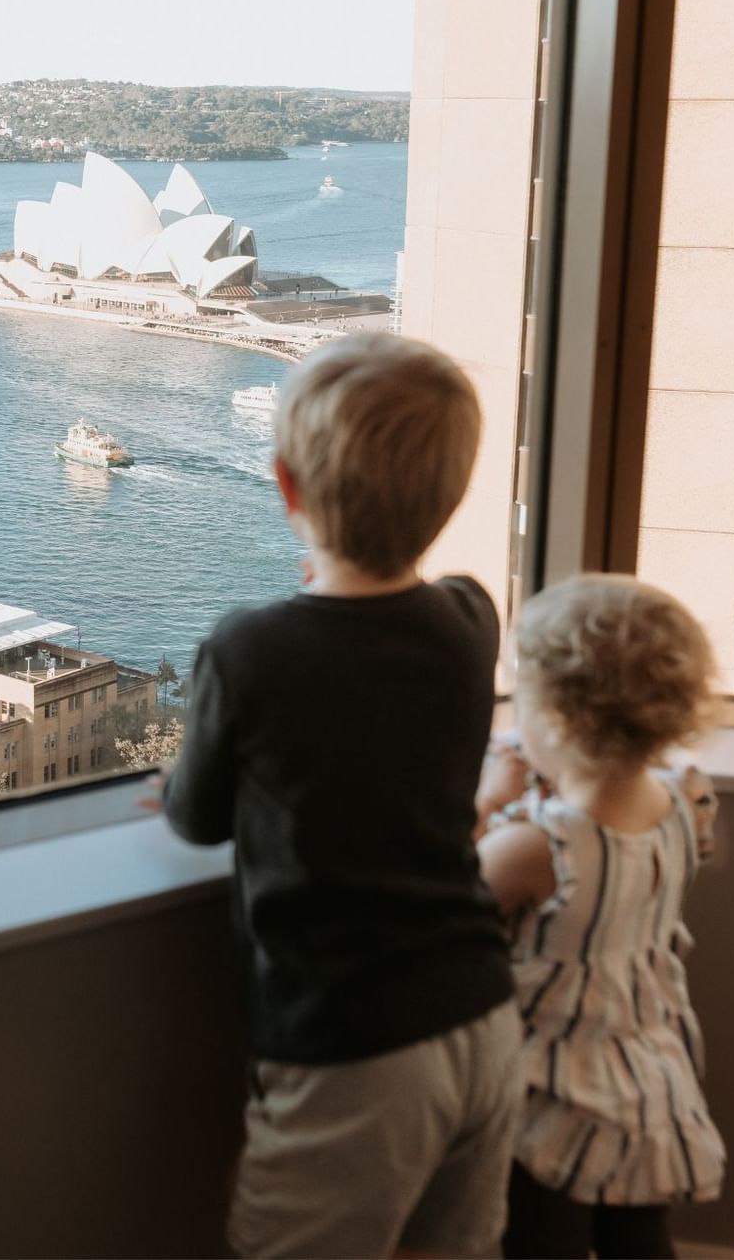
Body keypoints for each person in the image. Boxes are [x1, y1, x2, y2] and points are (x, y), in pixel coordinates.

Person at [162, 333, 521, 1258]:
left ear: (286, 488)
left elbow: (196, 817)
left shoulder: (251, 651)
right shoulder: (471, 620)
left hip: (354, 1043)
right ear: (448, 499)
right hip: (483, 1015)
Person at [477, 575, 727, 1259]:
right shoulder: (683, 804)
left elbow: (445, 904)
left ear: (557, 720)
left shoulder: (541, 847)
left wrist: (487, 800)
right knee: (635, 1237)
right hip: (648, 1071)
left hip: (548, 1088)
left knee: (539, 1240)